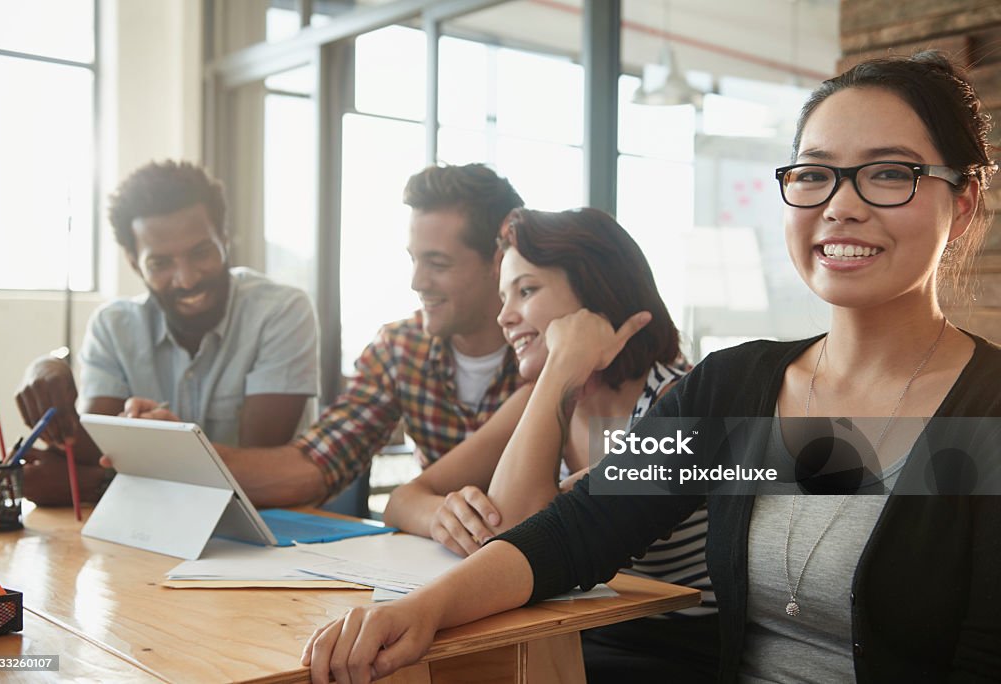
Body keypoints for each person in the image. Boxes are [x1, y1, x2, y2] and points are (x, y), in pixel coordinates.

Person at [301, 51, 1001, 684]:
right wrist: (421, 612)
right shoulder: (737, 392)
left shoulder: (987, 415)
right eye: (815, 175)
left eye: (888, 174)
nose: (841, 207)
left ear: (963, 206)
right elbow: (579, 530)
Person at [382, 207, 717, 681]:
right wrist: (443, 518)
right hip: (568, 632)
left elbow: (516, 531)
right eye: (503, 296)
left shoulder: (678, 401)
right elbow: (403, 499)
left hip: (669, 650)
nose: (504, 316)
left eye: (527, 290)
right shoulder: (538, 403)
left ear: (597, 294)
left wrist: (563, 363)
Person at [213, 163, 526, 506]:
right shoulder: (400, 348)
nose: (417, 282)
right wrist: (183, 453)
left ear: (499, 261)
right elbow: (320, 464)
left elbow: (599, 485)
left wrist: (412, 505)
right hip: (441, 550)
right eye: (414, 260)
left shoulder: (564, 351)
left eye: (437, 264)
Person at [15, 160, 319, 507]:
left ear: (224, 237)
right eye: (160, 263)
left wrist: (96, 483)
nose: (187, 279)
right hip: (153, 528)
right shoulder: (113, 326)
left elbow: (257, 471)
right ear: (134, 262)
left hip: (271, 532)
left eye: (201, 252)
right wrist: (47, 374)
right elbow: (94, 450)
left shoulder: (281, 312)